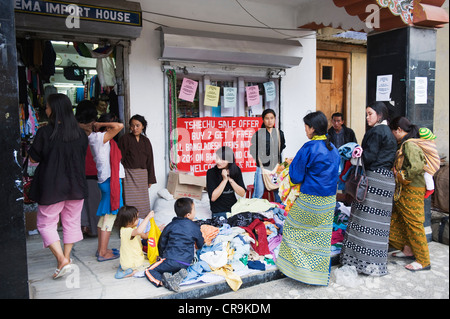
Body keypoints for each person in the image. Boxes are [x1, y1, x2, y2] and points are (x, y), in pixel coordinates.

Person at [275, 111, 340, 286]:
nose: (305, 130)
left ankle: (298, 271)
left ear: (312, 128)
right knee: (321, 238)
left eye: (306, 126)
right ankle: (319, 275)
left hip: (311, 200)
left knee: (291, 228)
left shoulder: (309, 147)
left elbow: (296, 177)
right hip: (329, 202)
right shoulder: (333, 148)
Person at [28, 93, 88, 279]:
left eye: (46, 106)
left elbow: (33, 158)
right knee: (71, 223)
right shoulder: (80, 133)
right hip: (76, 185)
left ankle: (62, 260)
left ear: (53, 109)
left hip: (52, 186)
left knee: (46, 224)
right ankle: (66, 259)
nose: (45, 110)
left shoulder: (45, 132)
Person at [340, 101, 397, 276]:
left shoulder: (377, 131)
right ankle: (375, 264)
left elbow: (369, 157)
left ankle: (360, 263)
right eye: (366, 114)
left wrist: (355, 153)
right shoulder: (389, 133)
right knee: (378, 226)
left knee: (364, 222)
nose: (367, 117)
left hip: (373, 181)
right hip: (387, 181)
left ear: (380, 115)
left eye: (370, 114)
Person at [389, 117, 438, 272]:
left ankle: (424, 261)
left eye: (392, 131)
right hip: (406, 191)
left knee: (414, 224)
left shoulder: (409, 144)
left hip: (412, 190)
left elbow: (416, 166)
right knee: (399, 221)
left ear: (398, 130)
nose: (392, 134)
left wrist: (401, 176)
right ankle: (408, 249)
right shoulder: (407, 143)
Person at [145, 197, 204, 292]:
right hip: (186, 262)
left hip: (171, 260)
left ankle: (163, 282)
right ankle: (175, 275)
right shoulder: (195, 227)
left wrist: (161, 256)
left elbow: (162, 242)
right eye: (194, 209)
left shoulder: (170, 226)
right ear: (188, 215)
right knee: (174, 267)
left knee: (149, 270)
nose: (195, 212)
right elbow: (200, 243)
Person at [89, 113, 125, 261]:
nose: (113, 127)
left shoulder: (101, 139)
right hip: (110, 181)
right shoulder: (99, 138)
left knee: (105, 215)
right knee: (109, 217)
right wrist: (101, 124)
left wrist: (102, 125)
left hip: (110, 180)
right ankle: (103, 253)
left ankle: (101, 249)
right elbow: (120, 126)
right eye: (110, 124)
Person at [118, 114, 157, 225]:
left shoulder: (146, 141)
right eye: (132, 126)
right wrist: (120, 176)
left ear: (143, 126)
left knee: (143, 203)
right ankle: (129, 225)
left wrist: (150, 179)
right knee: (130, 202)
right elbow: (120, 160)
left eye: (137, 125)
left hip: (142, 176)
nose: (134, 128)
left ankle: (144, 225)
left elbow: (150, 161)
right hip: (129, 175)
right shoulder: (124, 139)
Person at [75, 100, 101, 237]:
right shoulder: (96, 127)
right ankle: (94, 229)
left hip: (78, 169)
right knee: (94, 201)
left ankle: (83, 226)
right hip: (94, 169)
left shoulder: (73, 128)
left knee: (80, 202)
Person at [249, 109, 286, 201]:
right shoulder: (258, 134)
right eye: (267, 118)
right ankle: (255, 214)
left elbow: (281, 147)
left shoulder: (279, 133)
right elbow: (253, 150)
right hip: (261, 167)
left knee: (279, 194)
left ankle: (278, 214)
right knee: (258, 194)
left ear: (275, 119)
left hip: (276, 167)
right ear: (263, 119)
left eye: (272, 118)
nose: (270, 121)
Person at [206, 146, 246, 219]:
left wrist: (230, 179)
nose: (218, 161)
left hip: (234, 209)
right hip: (219, 212)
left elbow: (242, 193)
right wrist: (224, 180)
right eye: (217, 158)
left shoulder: (236, 170)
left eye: (222, 159)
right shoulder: (211, 173)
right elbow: (213, 197)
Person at [114, 206, 153, 279]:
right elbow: (139, 231)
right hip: (134, 263)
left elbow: (144, 236)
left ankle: (126, 269)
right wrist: (147, 218)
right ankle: (132, 272)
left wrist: (156, 229)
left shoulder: (133, 229)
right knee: (152, 265)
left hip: (128, 262)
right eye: (137, 218)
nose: (138, 220)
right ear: (129, 221)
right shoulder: (126, 231)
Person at [418, 127, 440, 199]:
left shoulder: (427, 145)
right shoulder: (431, 143)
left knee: (427, 175)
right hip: (433, 162)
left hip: (432, 163)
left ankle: (430, 189)